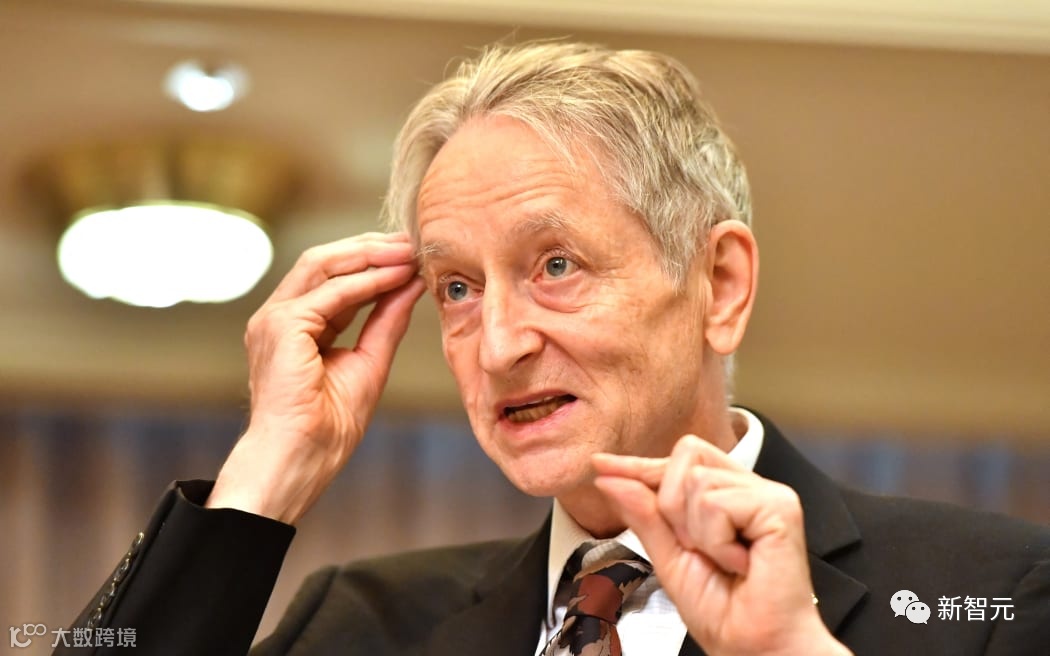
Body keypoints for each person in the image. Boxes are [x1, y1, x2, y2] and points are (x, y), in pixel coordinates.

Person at [59, 42, 1049, 656]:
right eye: (457, 287)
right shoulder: (357, 622)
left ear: (720, 284)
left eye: (557, 265)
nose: (497, 345)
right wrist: (268, 471)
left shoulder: (996, 592)